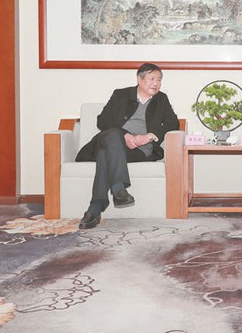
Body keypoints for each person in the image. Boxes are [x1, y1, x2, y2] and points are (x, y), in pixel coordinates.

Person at [75, 62, 179, 229]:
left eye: (159, 79)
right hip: (110, 140)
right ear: (140, 79)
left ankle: (96, 207)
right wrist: (124, 135)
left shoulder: (162, 99)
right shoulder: (121, 95)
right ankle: (118, 189)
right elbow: (102, 121)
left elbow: (173, 123)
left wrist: (149, 136)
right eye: (152, 78)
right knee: (113, 137)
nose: (156, 83)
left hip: (138, 150)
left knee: (105, 154)